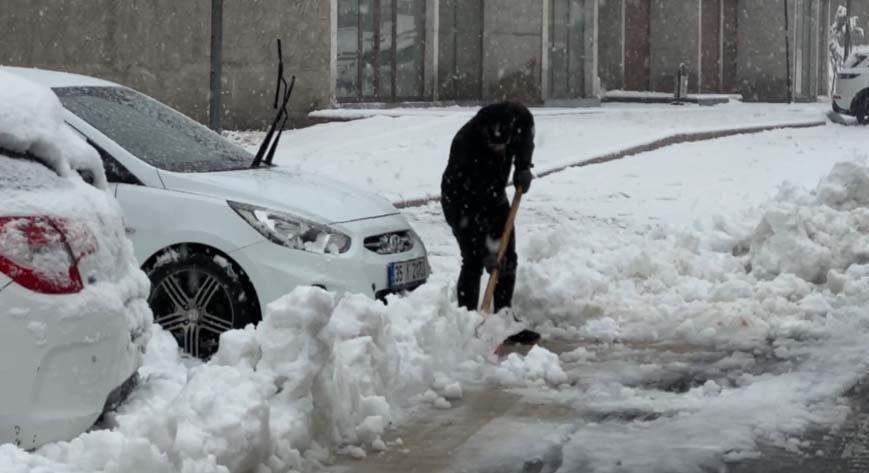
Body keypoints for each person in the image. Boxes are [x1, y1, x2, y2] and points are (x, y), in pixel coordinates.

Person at [440, 101, 535, 314]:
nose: (500, 150)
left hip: (495, 194)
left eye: (504, 144)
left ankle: (504, 316)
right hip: (460, 202)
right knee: (473, 260)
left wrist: (523, 166)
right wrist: (485, 251)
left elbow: (527, 136)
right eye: (494, 145)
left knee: (507, 257)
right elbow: (468, 206)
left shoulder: (519, 118)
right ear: (484, 134)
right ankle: (468, 318)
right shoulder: (465, 144)